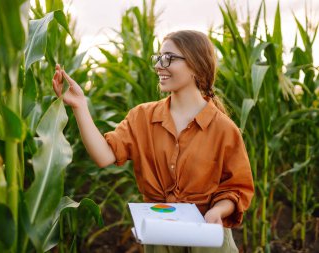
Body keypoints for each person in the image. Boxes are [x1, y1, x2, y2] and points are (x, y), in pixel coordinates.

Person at [53, 30, 254, 253]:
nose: (159, 65)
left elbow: (237, 188)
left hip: (207, 238)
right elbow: (104, 156)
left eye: (169, 58)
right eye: (158, 57)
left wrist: (217, 211)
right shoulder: (142, 117)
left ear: (196, 65)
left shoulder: (224, 129)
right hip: (160, 236)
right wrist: (79, 106)